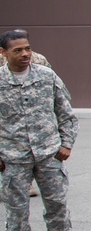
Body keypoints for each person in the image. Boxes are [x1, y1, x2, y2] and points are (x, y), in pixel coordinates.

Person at [0, 30, 91, 231]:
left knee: (57, 205)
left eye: (27, 48)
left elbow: (66, 112)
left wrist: (66, 144)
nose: (25, 54)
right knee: (16, 212)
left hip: (48, 154)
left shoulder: (46, 76)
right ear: (3, 53)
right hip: (13, 157)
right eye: (17, 50)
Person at [2, 50, 50, 198]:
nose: (24, 53)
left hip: (32, 109)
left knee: (27, 153)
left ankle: (25, 185)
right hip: (8, 112)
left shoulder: (39, 60)